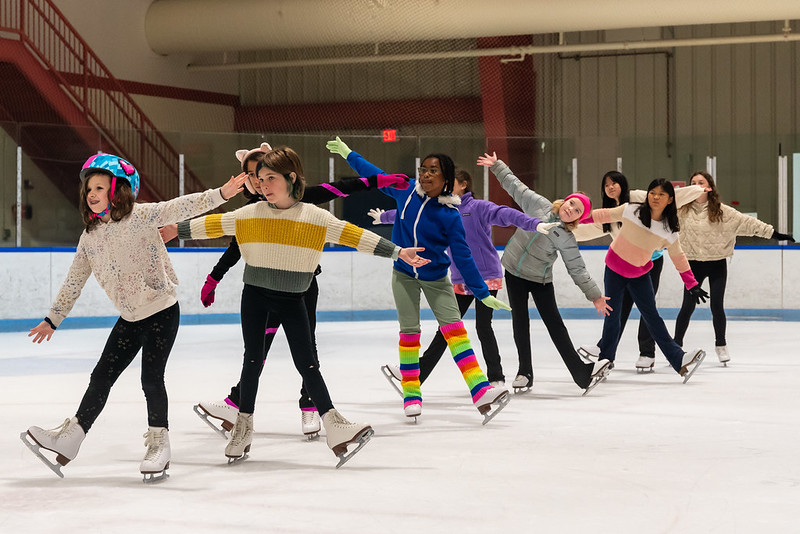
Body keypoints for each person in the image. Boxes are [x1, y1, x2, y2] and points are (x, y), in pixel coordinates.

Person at [177, 146, 427, 467]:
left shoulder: (315, 216)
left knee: (307, 362)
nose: (262, 185)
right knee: (252, 361)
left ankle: (334, 425)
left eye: (270, 178)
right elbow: (213, 224)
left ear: (290, 178)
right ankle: (243, 426)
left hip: (294, 298)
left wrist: (398, 251)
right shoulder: (251, 213)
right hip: (255, 297)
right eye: (259, 179)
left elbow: (355, 236)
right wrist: (173, 230)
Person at [22, 153, 246, 481]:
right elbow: (74, 279)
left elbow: (179, 207)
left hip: (161, 312)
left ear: (119, 189)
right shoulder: (90, 237)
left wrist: (221, 194)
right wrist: (53, 318)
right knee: (101, 377)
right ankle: (71, 439)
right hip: (129, 318)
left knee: (151, 379)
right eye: (89, 189)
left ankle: (159, 443)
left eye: (100, 187)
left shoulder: (141, 216)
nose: (92, 194)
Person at [327, 137, 512, 423]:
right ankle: (411, 394)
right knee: (410, 332)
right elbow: (373, 173)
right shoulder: (404, 192)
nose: (425, 174)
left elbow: (463, 256)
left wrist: (480, 291)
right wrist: (349, 153)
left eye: (433, 170)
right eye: (423, 169)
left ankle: (480, 390)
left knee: (455, 331)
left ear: (447, 178)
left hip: (436, 278)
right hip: (403, 275)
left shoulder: (450, 215)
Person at [370, 168, 553, 389]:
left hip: (486, 276)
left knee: (483, 326)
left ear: (464, 185)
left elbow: (506, 214)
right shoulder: (441, 208)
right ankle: (417, 374)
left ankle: (495, 377)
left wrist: (532, 223)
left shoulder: (478, 207)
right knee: (446, 330)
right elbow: (409, 210)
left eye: (450, 182)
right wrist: (383, 217)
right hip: (459, 278)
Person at [478, 152, 613, 395]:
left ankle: (581, 374)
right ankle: (524, 373)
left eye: (578, 210)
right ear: (565, 201)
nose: (572, 209)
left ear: (579, 218)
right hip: (513, 272)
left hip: (540, 280)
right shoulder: (538, 204)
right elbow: (516, 187)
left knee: (555, 325)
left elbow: (577, 268)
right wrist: (497, 165)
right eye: (572, 203)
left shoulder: (566, 237)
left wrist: (594, 295)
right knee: (520, 322)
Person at [574, 171, 704, 372]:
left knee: (652, 317)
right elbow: (602, 215)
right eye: (652, 193)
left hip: (639, 274)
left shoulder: (668, 230)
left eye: (661, 194)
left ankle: (679, 359)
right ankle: (605, 360)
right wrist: (574, 219)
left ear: (670, 200)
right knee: (613, 316)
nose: (655, 197)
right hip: (614, 270)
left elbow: (679, 257)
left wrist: (692, 284)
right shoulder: (631, 210)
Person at [673, 171, 795, 365]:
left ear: (709, 187)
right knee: (687, 306)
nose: (696, 185)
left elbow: (750, 223)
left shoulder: (723, 212)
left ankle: (721, 345)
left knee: (717, 306)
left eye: (701, 182)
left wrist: (777, 234)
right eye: (693, 183)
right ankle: (675, 345)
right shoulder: (680, 211)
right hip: (693, 264)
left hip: (717, 263)